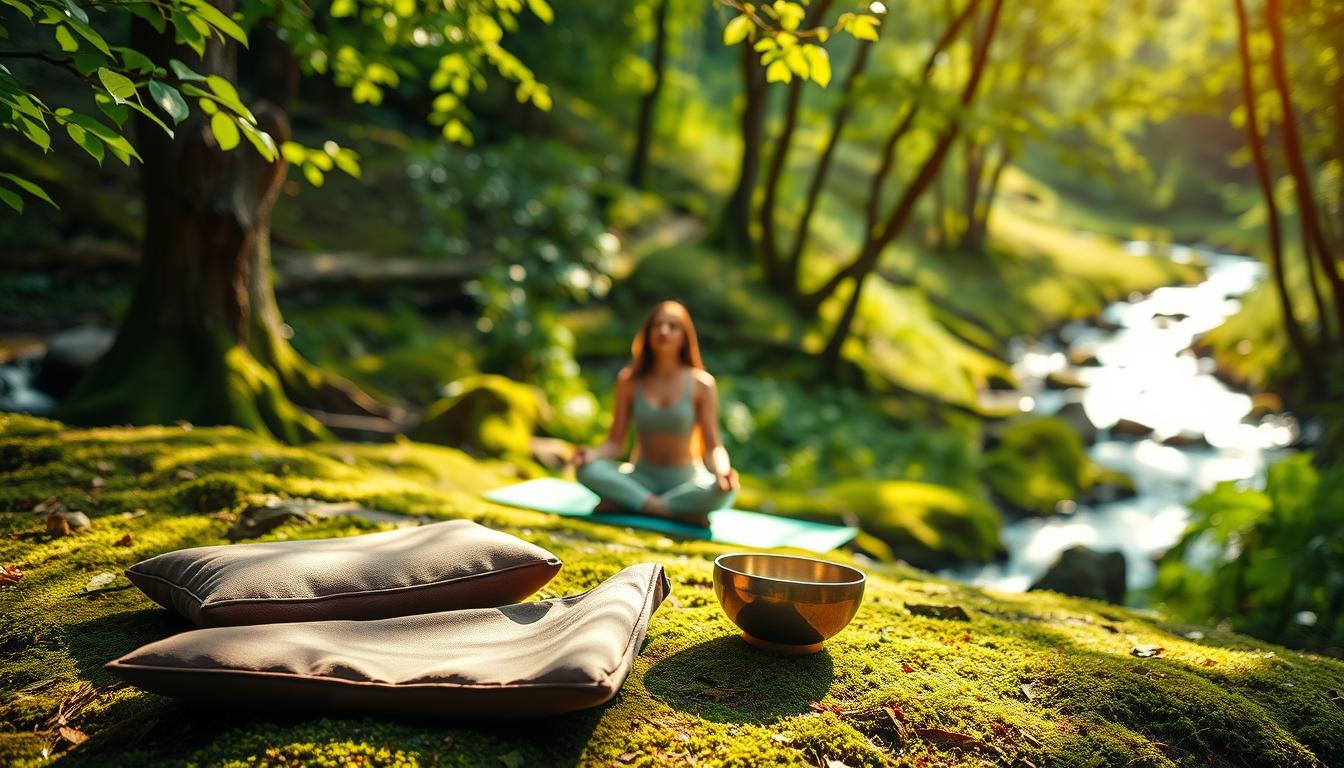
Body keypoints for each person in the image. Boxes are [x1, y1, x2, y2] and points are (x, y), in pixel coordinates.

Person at [572, 300, 740, 528]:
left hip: (686, 481)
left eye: (673, 326)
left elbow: (713, 446)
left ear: (685, 337)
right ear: (647, 332)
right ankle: (675, 511)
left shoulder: (702, 384)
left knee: (726, 492)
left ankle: (629, 503)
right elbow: (615, 443)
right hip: (640, 477)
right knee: (587, 470)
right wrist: (590, 455)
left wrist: (723, 472)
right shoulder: (629, 381)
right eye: (657, 325)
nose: (663, 331)